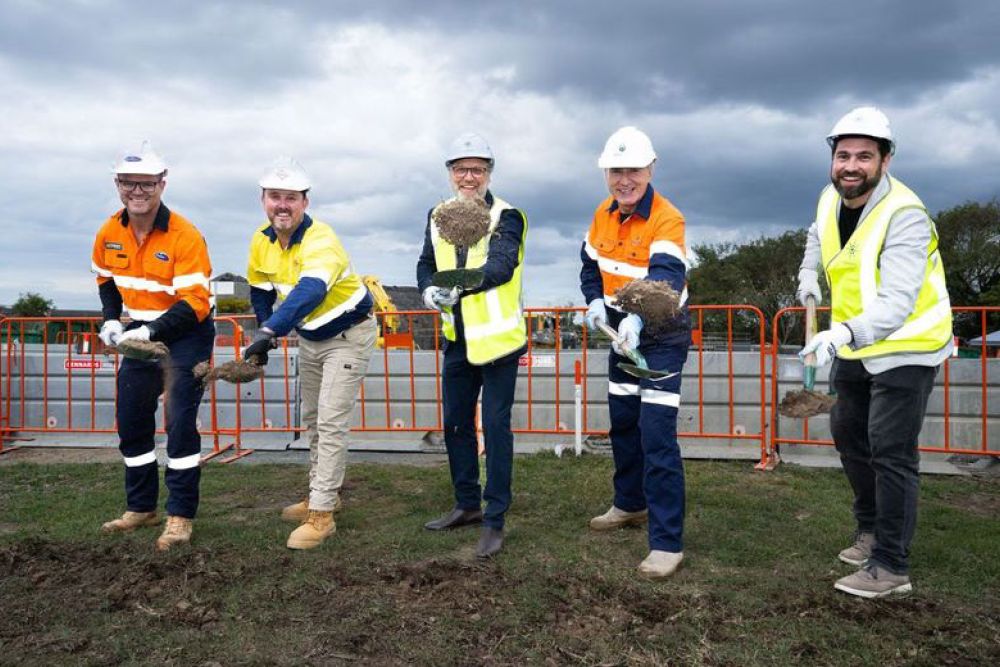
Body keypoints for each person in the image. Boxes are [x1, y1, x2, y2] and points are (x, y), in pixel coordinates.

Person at [797, 106, 953, 598]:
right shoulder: (829, 197)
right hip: (855, 343)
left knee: (891, 451)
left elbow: (899, 301)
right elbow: (814, 236)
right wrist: (807, 274)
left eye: (865, 156)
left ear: (885, 161)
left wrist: (841, 334)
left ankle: (891, 565)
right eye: (843, 155)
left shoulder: (905, 214)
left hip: (909, 345)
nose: (851, 165)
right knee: (848, 435)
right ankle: (869, 531)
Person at [245, 158, 377, 550]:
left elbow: (310, 291)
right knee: (314, 420)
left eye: (290, 198)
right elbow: (261, 290)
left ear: (304, 201)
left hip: (348, 334)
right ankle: (325, 494)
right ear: (263, 200)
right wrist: (266, 332)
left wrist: (269, 332)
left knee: (332, 421)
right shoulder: (261, 240)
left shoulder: (322, 238)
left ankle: (321, 516)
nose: (281, 205)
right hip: (311, 338)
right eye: (274, 197)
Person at [92, 142, 215, 551]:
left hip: (186, 331)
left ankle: (180, 515)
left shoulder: (185, 235)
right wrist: (112, 318)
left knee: (179, 421)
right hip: (140, 329)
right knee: (131, 418)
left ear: (162, 184)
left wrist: (151, 332)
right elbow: (105, 278)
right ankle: (141, 507)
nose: (137, 191)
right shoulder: (109, 232)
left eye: (146, 184)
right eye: (129, 183)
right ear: (118, 184)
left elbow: (195, 303)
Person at [580, 126, 691, 579]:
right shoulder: (602, 215)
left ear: (650, 169)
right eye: (616, 170)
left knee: (656, 433)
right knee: (624, 424)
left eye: (633, 170)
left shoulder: (668, 219)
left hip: (661, 336)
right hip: (620, 336)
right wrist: (593, 301)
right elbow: (589, 264)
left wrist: (639, 318)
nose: (624, 179)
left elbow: (666, 275)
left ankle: (667, 543)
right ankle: (630, 504)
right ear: (607, 173)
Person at [416, 133, 528, 558]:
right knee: (456, 425)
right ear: (450, 173)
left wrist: (455, 287)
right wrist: (429, 290)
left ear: (489, 174)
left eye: (477, 169)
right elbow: (427, 263)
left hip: (498, 343)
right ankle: (467, 504)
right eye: (461, 169)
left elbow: (500, 266)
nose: (469, 176)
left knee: (496, 430)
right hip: (457, 340)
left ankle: (495, 518)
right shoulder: (436, 215)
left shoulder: (507, 215)